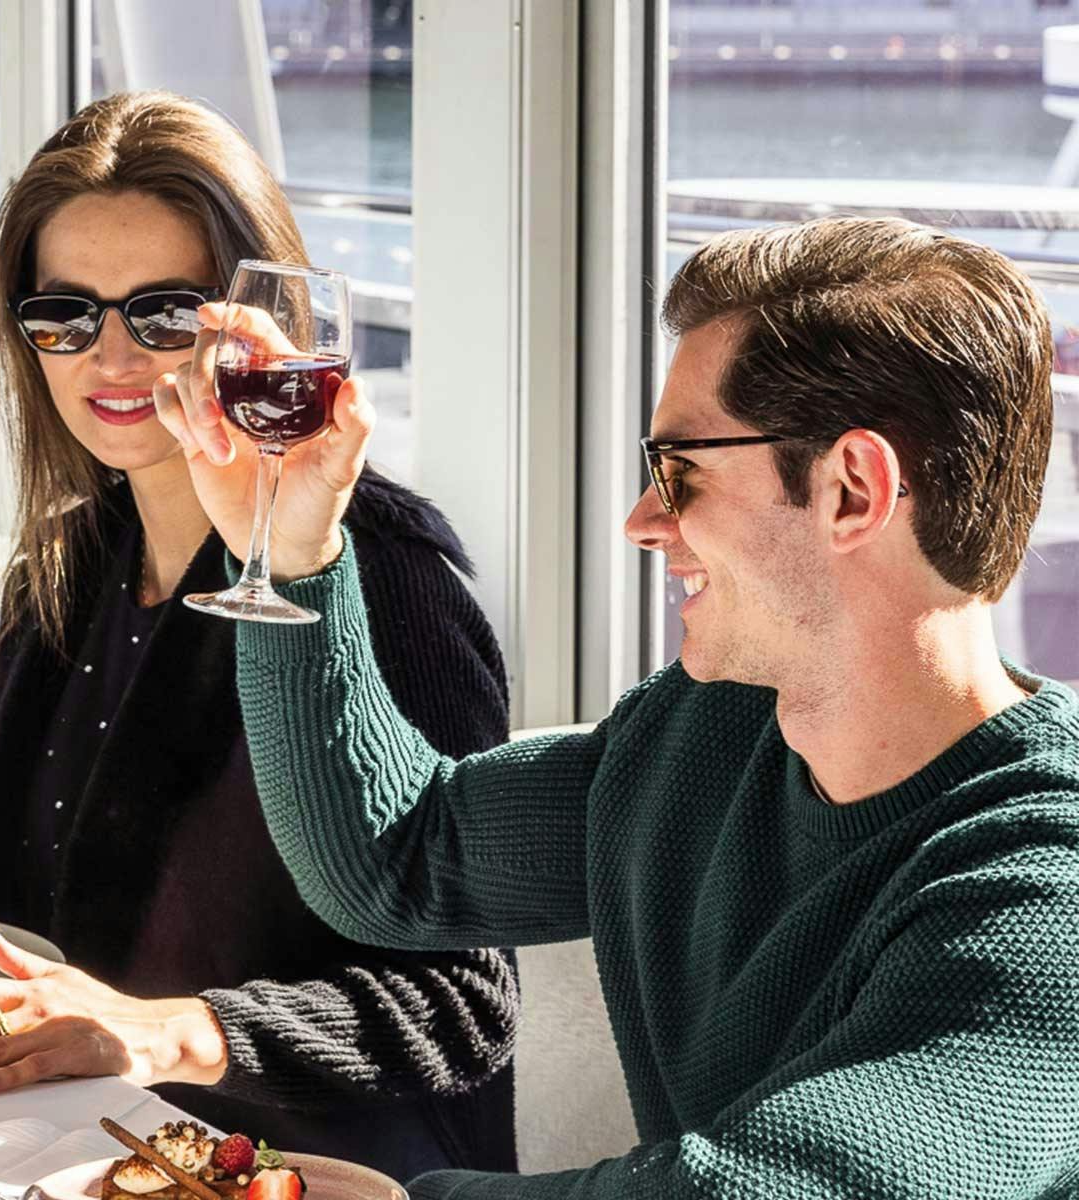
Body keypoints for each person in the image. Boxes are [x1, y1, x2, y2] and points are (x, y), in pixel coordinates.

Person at [155, 216, 1079, 1198]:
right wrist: (297, 556)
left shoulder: (1044, 888)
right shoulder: (706, 732)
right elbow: (395, 862)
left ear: (851, 489)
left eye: (678, 472)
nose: (642, 520)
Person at [0, 91, 519, 1177]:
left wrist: (173, 1028)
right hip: (68, 1148)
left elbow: (463, 1001)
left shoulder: (385, 575)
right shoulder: (68, 564)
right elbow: (42, 922)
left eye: (166, 312)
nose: (113, 356)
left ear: (258, 323)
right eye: (66, 315)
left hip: (308, 1170)